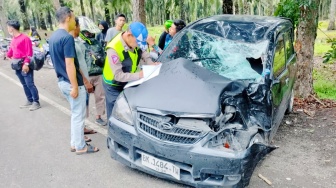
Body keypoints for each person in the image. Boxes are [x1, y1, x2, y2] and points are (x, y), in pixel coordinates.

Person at [49, 6, 99, 154]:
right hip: (71, 83)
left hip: (61, 81)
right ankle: (80, 146)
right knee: (78, 116)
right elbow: (70, 64)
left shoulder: (53, 37)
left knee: (75, 114)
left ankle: (74, 143)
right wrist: (75, 87)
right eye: (74, 16)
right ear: (68, 18)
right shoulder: (67, 38)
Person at [103, 22, 160, 120]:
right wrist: (140, 75)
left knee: (127, 111)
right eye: (137, 43)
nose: (138, 45)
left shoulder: (134, 41)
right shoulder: (113, 48)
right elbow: (118, 75)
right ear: (129, 35)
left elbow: (143, 52)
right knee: (115, 113)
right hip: (113, 85)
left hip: (128, 81)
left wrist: (150, 63)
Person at [70, 17, 96, 142]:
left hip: (85, 78)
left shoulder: (78, 41)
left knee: (84, 106)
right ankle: (79, 136)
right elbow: (75, 65)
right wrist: (85, 81)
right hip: (80, 81)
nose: (80, 29)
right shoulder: (70, 43)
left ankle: (83, 128)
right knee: (79, 110)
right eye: (78, 26)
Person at [6, 20, 41, 111]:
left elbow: (29, 53)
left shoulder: (25, 38)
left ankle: (36, 102)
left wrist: (26, 64)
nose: (7, 28)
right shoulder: (13, 39)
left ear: (12, 28)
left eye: (8, 27)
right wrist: (9, 56)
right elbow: (11, 51)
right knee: (24, 84)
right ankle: (29, 100)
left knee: (30, 84)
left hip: (24, 64)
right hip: (17, 65)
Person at [79, 17, 107, 126]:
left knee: (100, 96)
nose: (90, 34)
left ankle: (98, 117)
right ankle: (83, 121)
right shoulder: (80, 44)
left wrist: (101, 59)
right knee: (84, 98)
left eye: (91, 33)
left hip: (99, 74)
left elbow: (104, 55)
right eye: (88, 33)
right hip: (86, 76)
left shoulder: (96, 43)